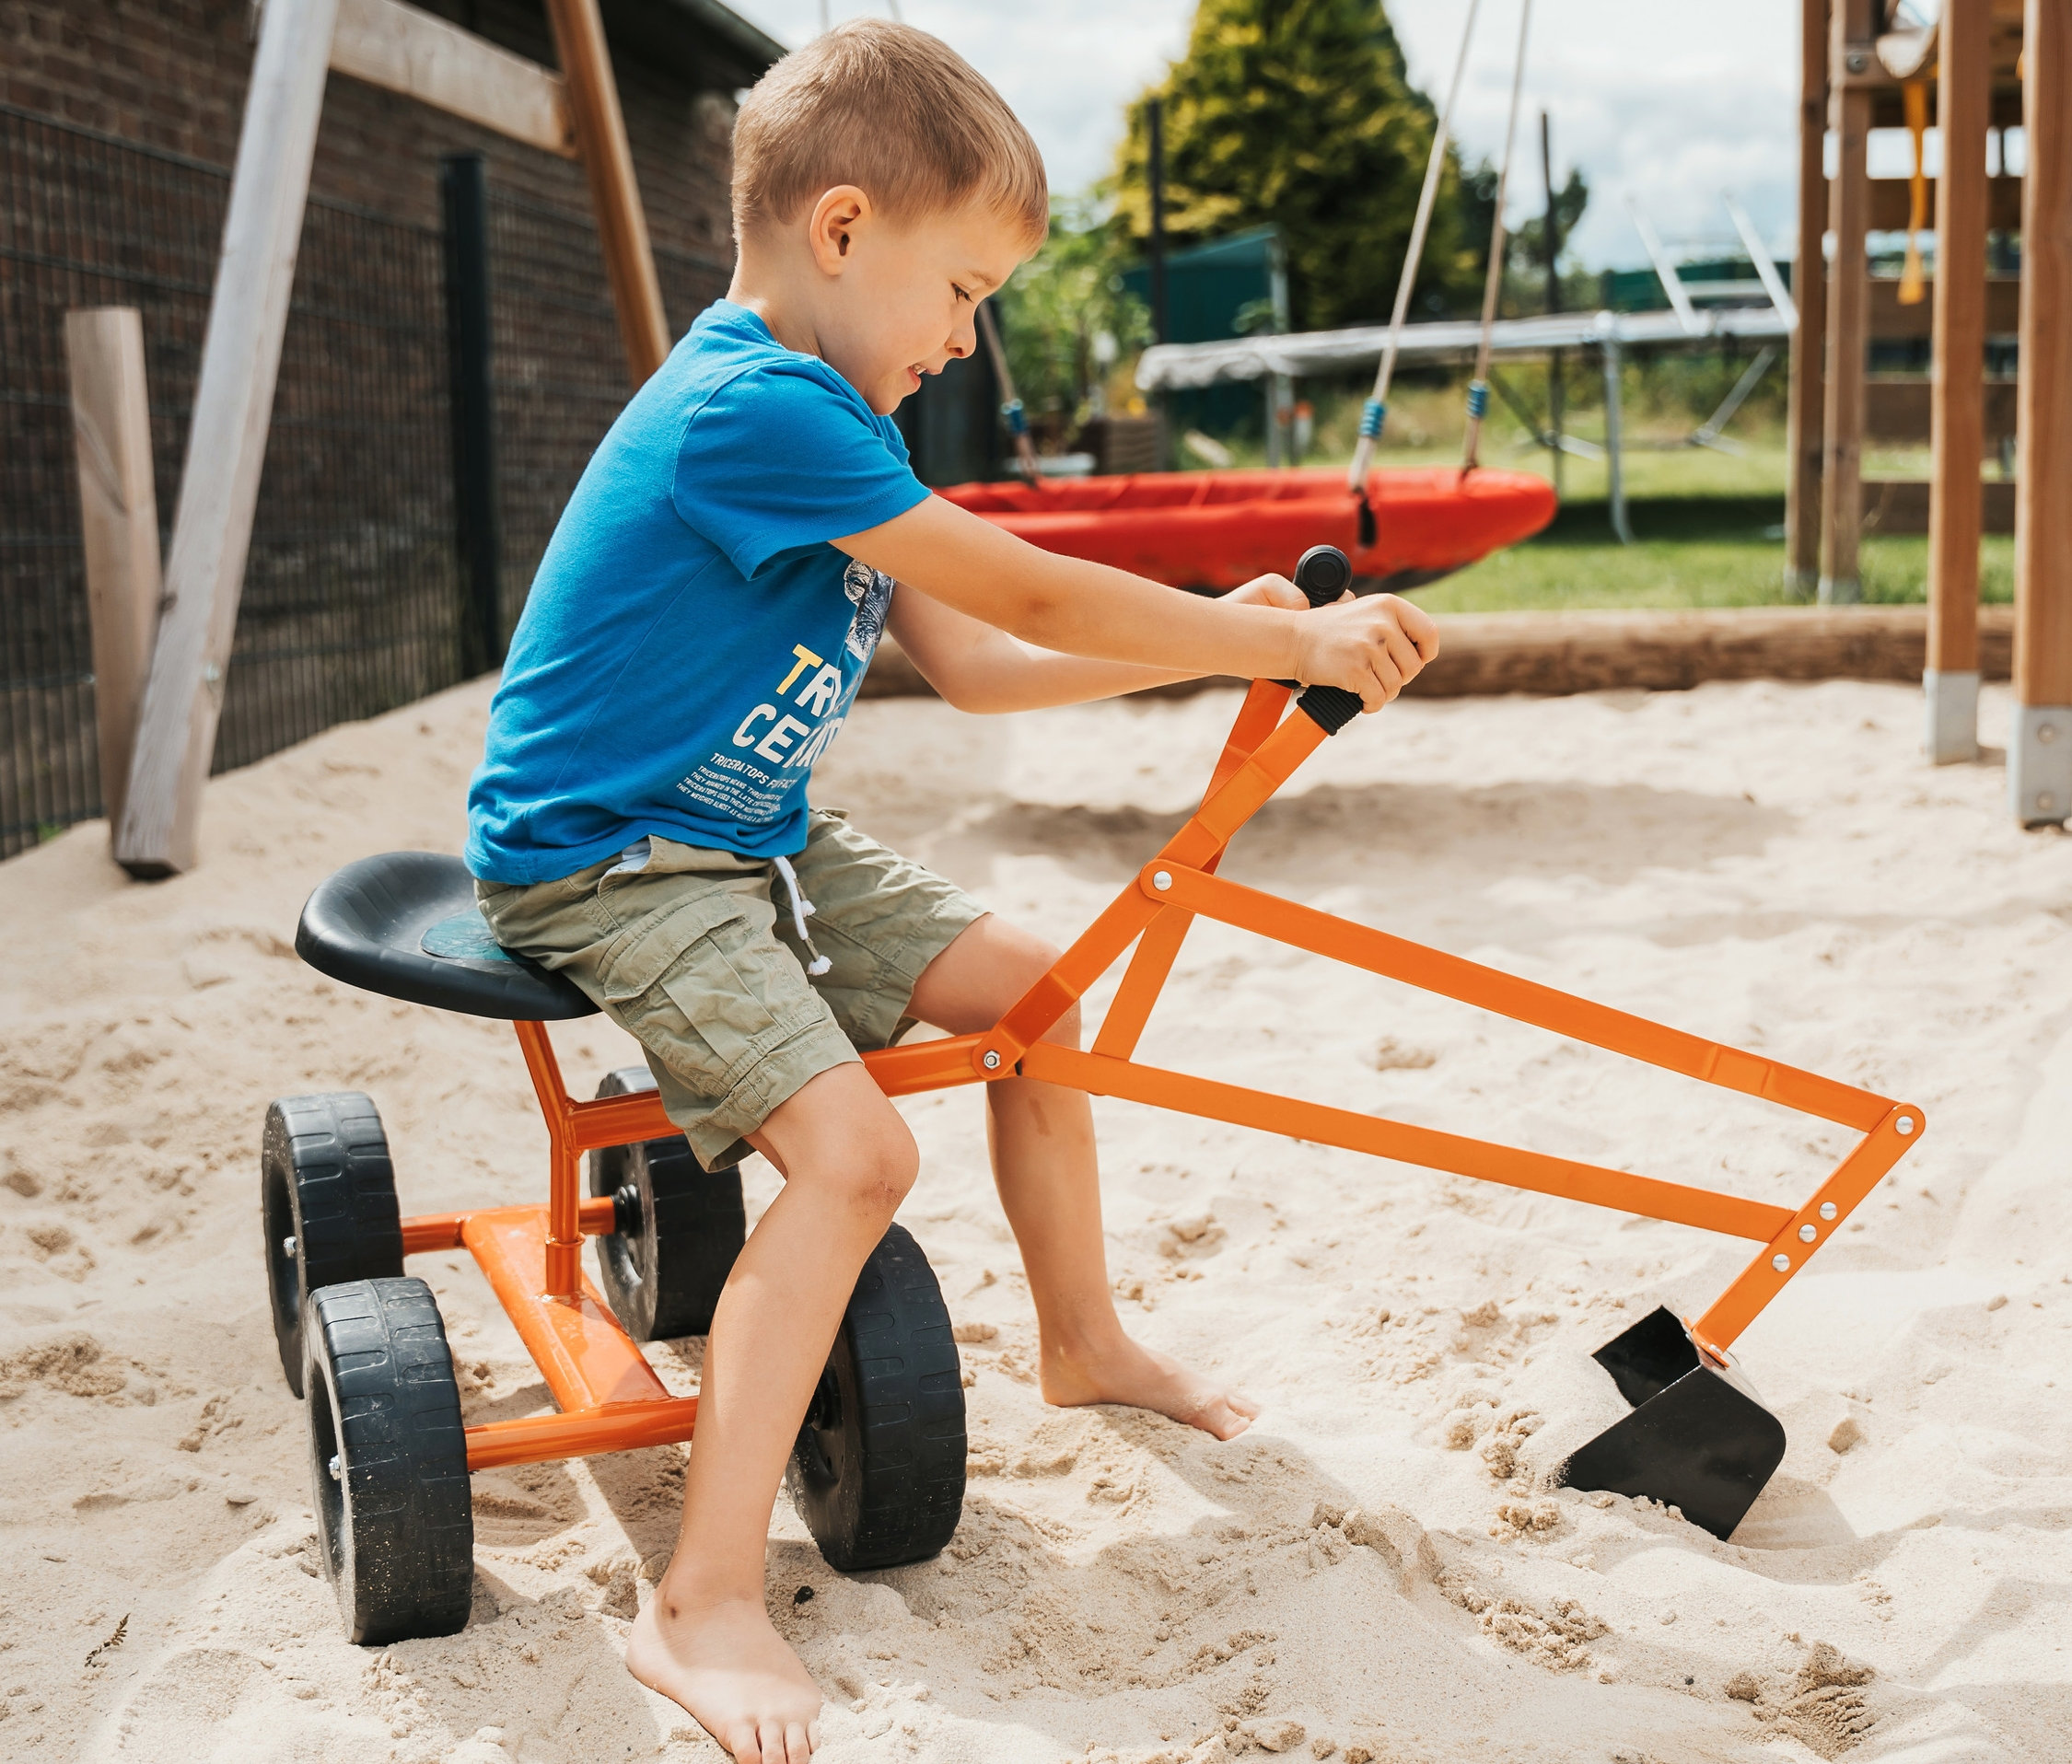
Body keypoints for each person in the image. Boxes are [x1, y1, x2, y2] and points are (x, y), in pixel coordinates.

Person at [465, 19, 1437, 1762]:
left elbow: (982, 661)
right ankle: (698, 1600)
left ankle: (1084, 1340)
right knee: (859, 1156)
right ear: (842, 232)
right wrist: (1274, 632)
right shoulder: (753, 411)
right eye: (966, 286)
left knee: (1045, 1003)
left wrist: (1227, 659)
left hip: (741, 828)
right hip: (612, 853)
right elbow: (1036, 596)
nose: (971, 332)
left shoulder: (827, 414)